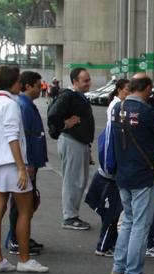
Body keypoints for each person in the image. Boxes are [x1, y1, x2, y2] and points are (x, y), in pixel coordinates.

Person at [108, 74, 154, 274]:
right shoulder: (147, 112)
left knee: (128, 221)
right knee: (140, 225)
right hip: (142, 175)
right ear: (147, 88)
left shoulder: (118, 108)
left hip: (123, 174)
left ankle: (118, 269)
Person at [0, 65, 49, 273]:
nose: (21, 84)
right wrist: (21, 168)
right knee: (24, 212)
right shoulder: (10, 105)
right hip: (11, 164)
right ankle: (25, 259)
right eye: (19, 81)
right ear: (12, 83)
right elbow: (12, 137)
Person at [4, 71, 47, 256]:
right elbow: (23, 138)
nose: (40, 89)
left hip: (33, 161)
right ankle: (15, 239)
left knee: (27, 203)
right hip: (29, 162)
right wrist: (27, 163)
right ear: (28, 86)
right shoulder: (23, 105)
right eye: (38, 86)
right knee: (21, 203)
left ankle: (21, 237)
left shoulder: (27, 104)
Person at [47, 67, 95, 231]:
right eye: (85, 80)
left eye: (88, 79)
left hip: (79, 142)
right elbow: (52, 114)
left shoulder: (77, 96)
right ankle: (69, 217)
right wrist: (64, 124)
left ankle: (71, 215)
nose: (89, 83)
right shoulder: (68, 95)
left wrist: (87, 146)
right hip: (71, 141)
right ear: (75, 81)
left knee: (78, 180)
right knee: (73, 180)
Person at [87, 79, 130, 257]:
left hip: (109, 170)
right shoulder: (117, 108)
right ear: (119, 90)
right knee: (113, 213)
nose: (129, 93)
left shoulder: (117, 108)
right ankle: (104, 246)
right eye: (127, 89)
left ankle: (106, 245)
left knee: (112, 211)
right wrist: (112, 166)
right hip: (111, 171)